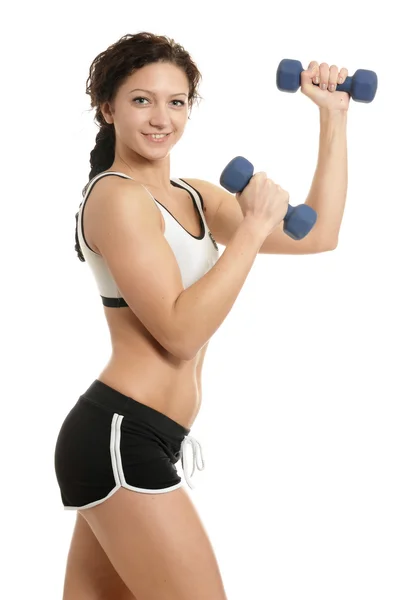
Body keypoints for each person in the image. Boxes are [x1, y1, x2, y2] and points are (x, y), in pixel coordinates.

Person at [54, 31, 349, 600]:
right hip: (122, 434)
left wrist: (333, 119)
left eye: (177, 101)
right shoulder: (115, 198)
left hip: (148, 435)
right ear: (107, 107)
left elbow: (321, 236)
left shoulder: (194, 195)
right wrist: (254, 229)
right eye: (141, 100)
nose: (161, 117)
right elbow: (180, 333)